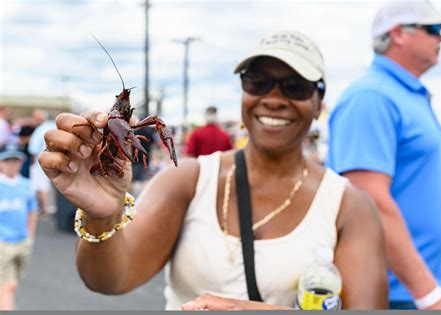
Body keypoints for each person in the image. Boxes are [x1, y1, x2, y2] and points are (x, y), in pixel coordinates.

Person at [39, 30, 387, 310]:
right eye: (257, 82)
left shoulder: (349, 205)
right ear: (242, 91)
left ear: (319, 103)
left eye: (295, 87)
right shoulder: (187, 181)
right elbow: (109, 280)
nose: (274, 98)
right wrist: (102, 213)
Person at [326, 0, 441, 310]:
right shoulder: (371, 97)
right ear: (399, 34)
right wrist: (429, 295)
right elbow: (369, 201)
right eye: (434, 29)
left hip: (411, 288)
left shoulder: (402, 94)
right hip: (390, 294)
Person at [0, 144, 38, 310]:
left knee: (13, 282)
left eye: (15, 160)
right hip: (3, 243)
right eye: (8, 160)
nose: (12, 164)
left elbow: (32, 210)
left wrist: (30, 235)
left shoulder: (26, 185)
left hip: (22, 241)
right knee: (8, 286)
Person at [27, 111, 56, 215]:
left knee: (41, 186)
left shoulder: (40, 129)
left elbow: (33, 149)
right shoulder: (55, 126)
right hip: (57, 161)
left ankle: (44, 209)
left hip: (41, 162)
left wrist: (32, 163)